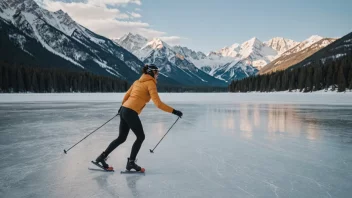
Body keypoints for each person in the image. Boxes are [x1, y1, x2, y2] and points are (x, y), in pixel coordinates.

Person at [94, 64, 183, 172]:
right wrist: (174, 111)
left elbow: (127, 95)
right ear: (151, 72)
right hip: (130, 112)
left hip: (124, 109)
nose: (158, 74)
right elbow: (158, 104)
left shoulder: (137, 82)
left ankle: (101, 158)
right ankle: (131, 163)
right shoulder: (151, 84)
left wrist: (122, 108)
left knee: (121, 138)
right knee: (140, 137)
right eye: (156, 72)